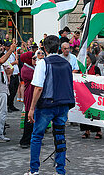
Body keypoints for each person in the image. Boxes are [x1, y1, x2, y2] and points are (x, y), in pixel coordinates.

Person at [26, 35, 75, 175]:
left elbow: (38, 88)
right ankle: (60, 170)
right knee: (60, 136)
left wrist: (31, 108)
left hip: (47, 104)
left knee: (37, 136)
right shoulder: (67, 63)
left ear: (45, 48)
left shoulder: (43, 63)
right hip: (63, 103)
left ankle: (34, 170)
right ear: (58, 47)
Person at [80, 52, 103, 139]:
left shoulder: (95, 68)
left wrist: (97, 77)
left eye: (87, 58)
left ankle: (98, 131)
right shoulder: (82, 69)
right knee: (84, 112)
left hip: (93, 94)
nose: (86, 60)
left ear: (91, 59)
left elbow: (100, 80)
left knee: (95, 112)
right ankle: (86, 131)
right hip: (83, 93)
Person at [19, 52, 35, 149]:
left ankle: (31, 139)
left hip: (32, 94)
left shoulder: (30, 67)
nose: (35, 60)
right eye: (33, 58)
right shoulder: (26, 69)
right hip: (30, 94)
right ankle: (25, 140)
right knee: (29, 118)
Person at [4, 42, 20, 113]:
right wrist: (14, 62)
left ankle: (11, 104)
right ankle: (8, 105)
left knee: (14, 91)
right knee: (10, 91)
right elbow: (6, 64)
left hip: (16, 74)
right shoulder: (5, 54)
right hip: (11, 74)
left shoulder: (13, 54)